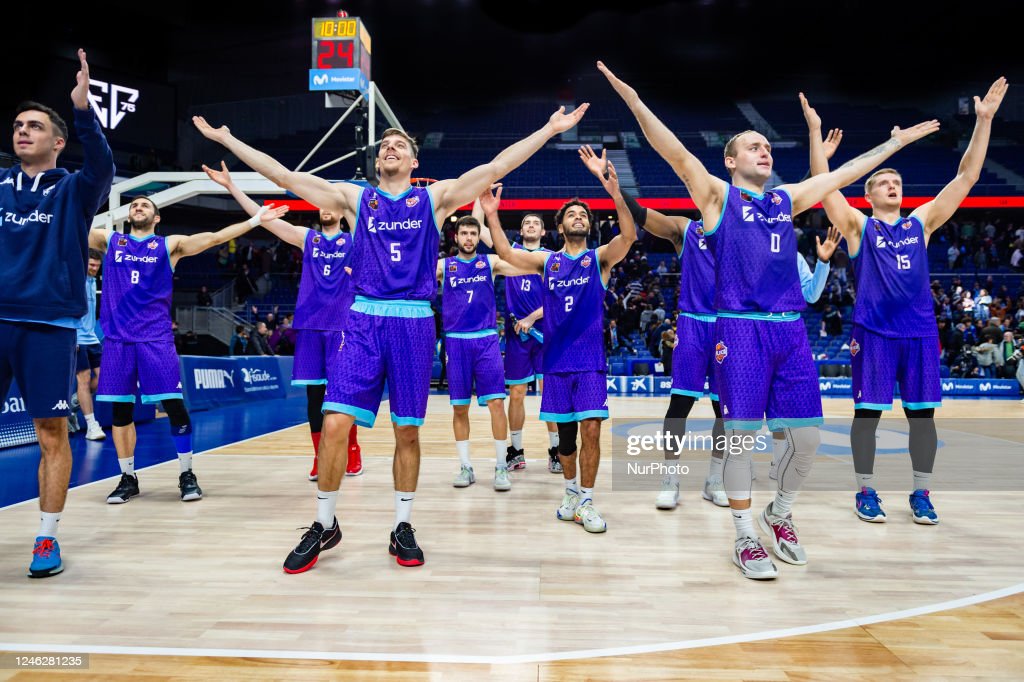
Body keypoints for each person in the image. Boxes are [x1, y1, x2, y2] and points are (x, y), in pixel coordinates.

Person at [194, 102, 589, 571]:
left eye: (399, 145)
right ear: (377, 161)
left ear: (414, 161)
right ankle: (324, 523)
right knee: (335, 422)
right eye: (384, 146)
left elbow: (498, 165)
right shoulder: (355, 198)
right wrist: (227, 140)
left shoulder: (436, 199)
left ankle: (402, 524)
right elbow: (284, 176)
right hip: (363, 319)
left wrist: (547, 128)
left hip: (413, 322)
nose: (390, 148)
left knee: (407, 430)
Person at [600, 60, 938, 579]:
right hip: (739, 329)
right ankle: (742, 537)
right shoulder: (716, 197)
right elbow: (672, 149)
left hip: (790, 331)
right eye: (753, 145)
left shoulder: (786, 200)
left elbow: (843, 174)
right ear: (731, 160)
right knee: (738, 435)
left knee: (804, 438)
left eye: (767, 145)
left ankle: (778, 513)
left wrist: (895, 144)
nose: (765, 150)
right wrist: (632, 98)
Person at [580, 146, 836, 510]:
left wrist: (816, 164)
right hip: (695, 326)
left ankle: (715, 478)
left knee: (725, 414)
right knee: (679, 405)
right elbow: (644, 216)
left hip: (735, 327)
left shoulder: (752, 226)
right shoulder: (686, 230)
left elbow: (785, 203)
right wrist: (615, 190)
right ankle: (670, 479)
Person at [804, 77, 1007, 525]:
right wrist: (816, 135)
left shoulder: (922, 222)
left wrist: (984, 122)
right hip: (873, 332)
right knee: (868, 416)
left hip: (918, 332)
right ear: (869, 194)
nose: (893, 185)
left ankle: (921, 493)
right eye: (884, 182)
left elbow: (967, 176)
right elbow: (823, 185)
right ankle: (865, 492)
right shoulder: (859, 228)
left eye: (897, 181)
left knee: (922, 418)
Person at [91, 196, 288, 505]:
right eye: (134, 205)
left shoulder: (170, 246)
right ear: (127, 215)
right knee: (120, 412)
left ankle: (186, 473)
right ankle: (127, 478)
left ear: (157, 218)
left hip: (155, 340)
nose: (138, 207)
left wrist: (253, 221)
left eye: (145, 205)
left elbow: (213, 238)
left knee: (174, 407)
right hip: (118, 341)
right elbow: (71, 224)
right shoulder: (110, 240)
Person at [0, 50, 115, 578]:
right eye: (19, 126)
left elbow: (104, 166)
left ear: (58, 141)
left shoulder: (74, 190)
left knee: (51, 431)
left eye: (35, 126)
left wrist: (84, 109)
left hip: (48, 324)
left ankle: (46, 540)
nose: (23, 132)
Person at [481, 150, 636, 534]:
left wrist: (614, 192)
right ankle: (569, 492)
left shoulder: (599, 259)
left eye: (584, 214)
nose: (579, 217)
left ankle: (586, 498)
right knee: (565, 438)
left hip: (589, 363)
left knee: (593, 430)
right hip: (555, 362)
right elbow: (504, 252)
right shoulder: (547, 263)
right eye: (572, 214)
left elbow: (629, 235)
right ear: (561, 227)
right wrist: (492, 214)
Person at [202, 162, 362, 479]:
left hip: (344, 328)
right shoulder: (307, 238)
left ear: (343, 211)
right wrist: (232, 187)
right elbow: (264, 221)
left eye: (334, 205)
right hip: (312, 329)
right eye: (323, 205)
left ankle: (352, 451)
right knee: (315, 397)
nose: (327, 209)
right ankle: (320, 456)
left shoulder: (355, 240)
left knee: (343, 396)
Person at [438, 216, 532, 492]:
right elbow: (412, 276)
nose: (468, 237)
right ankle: (466, 467)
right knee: (459, 407)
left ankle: (502, 466)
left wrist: (545, 265)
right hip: (456, 342)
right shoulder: (445, 266)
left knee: (496, 405)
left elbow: (520, 265)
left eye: (472, 233)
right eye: (463, 233)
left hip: (486, 340)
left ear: (479, 237)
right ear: (455, 237)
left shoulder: (489, 263)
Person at [477, 207, 561, 472]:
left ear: (543, 231)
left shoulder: (552, 259)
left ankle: (556, 451)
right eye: (527, 223)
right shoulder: (508, 252)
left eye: (537, 222)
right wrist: (481, 196)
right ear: (521, 230)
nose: (532, 225)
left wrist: (532, 318)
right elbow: (479, 228)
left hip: (547, 332)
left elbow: (557, 299)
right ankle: (516, 451)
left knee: (552, 393)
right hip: (518, 335)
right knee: (517, 393)